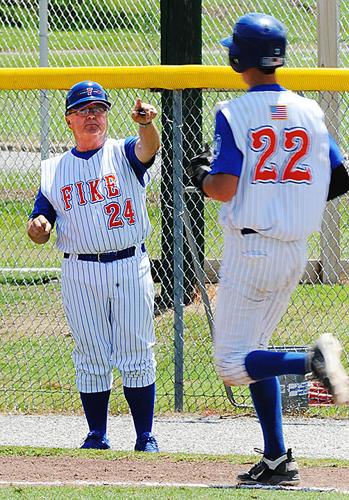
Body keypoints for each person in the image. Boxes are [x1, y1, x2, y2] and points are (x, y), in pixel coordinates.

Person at [188, 12, 349, 486]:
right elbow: (340, 175)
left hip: (251, 251)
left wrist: (199, 176)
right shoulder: (310, 111)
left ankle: (311, 359)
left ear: (238, 58)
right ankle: (278, 460)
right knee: (254, 353)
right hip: (294, 250)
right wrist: (289, 199)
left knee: (233, 365)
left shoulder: (233, 112)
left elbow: (222, 187)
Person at [27, 80, 161, 452]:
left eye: (99, 109)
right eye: (84, 111)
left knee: (137, 350)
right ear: (69, 119)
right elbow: (40, 221)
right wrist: (38, 228)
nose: (92, 116)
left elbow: (148, 149)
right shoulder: (54, 170)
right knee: (91, 353)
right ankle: (97, 434)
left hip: (129, 263)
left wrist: (146, 124)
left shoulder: (124, 152)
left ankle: (144, 435)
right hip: (80, 270)